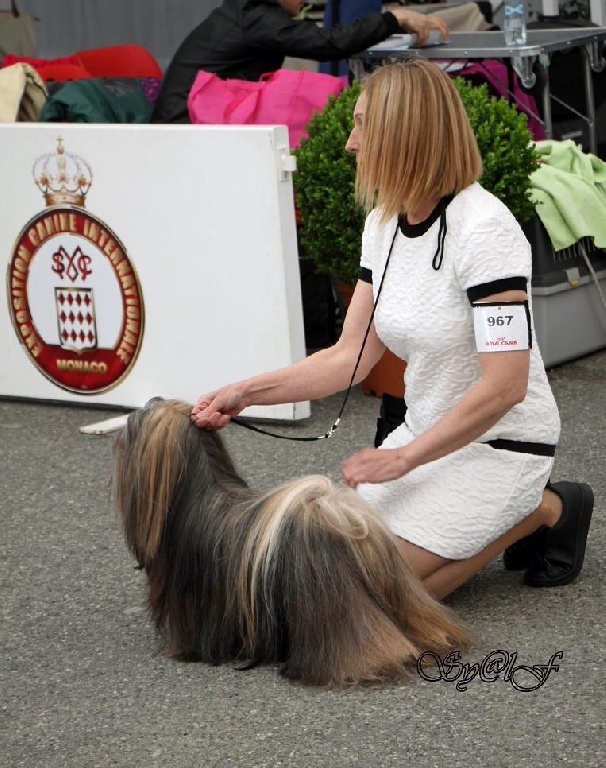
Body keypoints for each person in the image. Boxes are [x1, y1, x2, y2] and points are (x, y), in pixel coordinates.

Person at [191, 60, 594, 600]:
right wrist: (246, 392)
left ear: (404, 136)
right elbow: (348, 357)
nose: (351, 142)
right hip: (426, 435)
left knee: (372, 600)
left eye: (362, 126)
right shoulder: (383, 223)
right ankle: (520, 511)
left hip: (501, 442)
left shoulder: (485, 230)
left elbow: (506, 387)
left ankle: (544, 507)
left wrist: (404, 458)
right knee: (320, 579)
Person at [150, 0, 448, 123]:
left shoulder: (245, 13)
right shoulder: (256, 18)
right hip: (185, 126)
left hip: (190, 122)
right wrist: (392, 19)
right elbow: (327, 43)